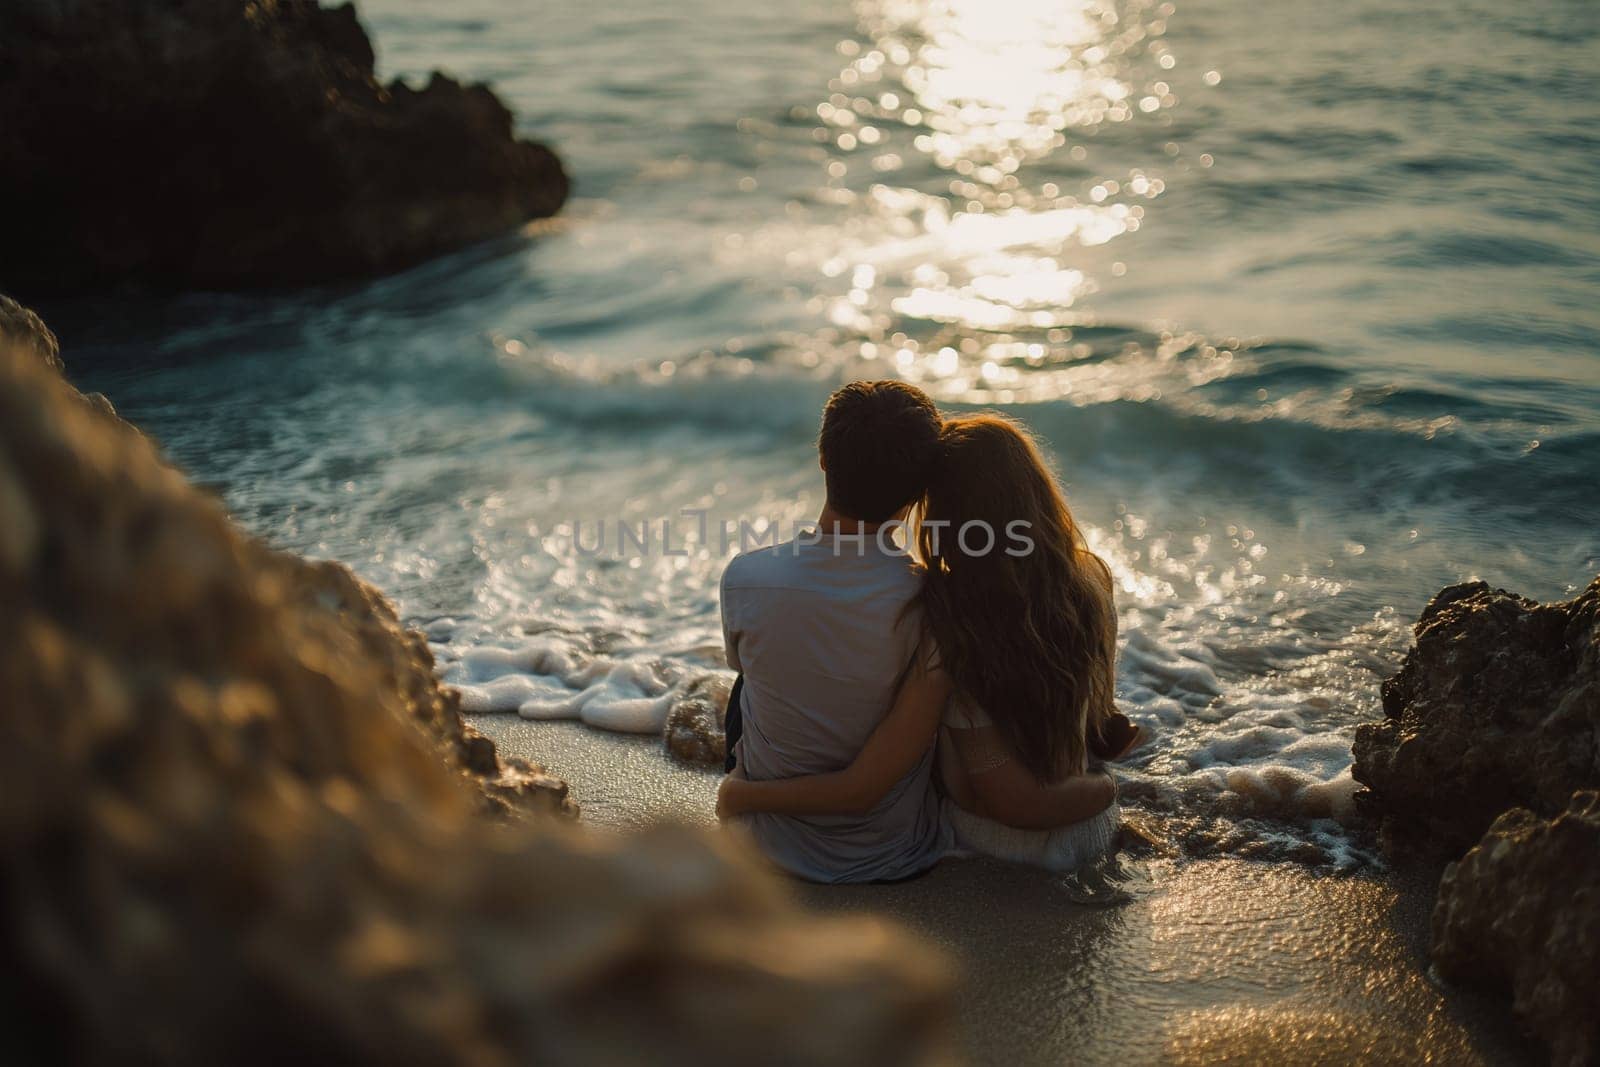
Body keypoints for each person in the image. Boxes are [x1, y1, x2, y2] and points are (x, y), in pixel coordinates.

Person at [719, 412, 1135, 872]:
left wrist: (742, 793)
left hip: (998, 838)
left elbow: (1010, 801)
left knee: (751, 686)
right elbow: (1098, 715)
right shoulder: (1092, 578)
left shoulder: (960, 610)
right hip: (1085, 824)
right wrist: (1107, 782)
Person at [718, 379, 949, 883]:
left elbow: (746, 671)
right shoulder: (930, 600)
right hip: (894, 853)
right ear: (918, 489)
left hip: (763, 845)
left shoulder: (746, 577)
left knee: (749, 677)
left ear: (823, 459)